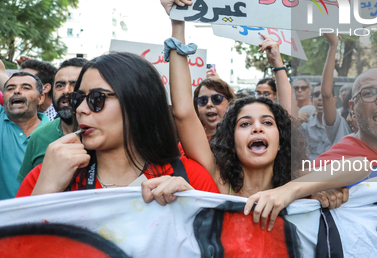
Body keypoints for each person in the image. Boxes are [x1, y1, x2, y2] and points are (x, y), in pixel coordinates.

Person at [153, 0, 365, 230]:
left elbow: (359, 165)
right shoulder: (218, 180)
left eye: (267, 122)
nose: (257, 128)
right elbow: (184, 112)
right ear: (230, 138)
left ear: (281, 138)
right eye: (245, 123)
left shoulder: (295, 179)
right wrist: (178, 24)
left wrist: (291, 192)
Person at [17, 52, 219, 197]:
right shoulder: (47, 175)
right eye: (79, 98)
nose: (80, 109)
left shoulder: (189, 178)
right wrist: (45, 191)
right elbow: (13, 253)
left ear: (138, 103)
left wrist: (193, 209)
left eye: (97, 98)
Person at [17, 58, 88, 182]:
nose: (66, 91)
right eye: (60, 85)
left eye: (74, 84)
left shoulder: (102, 136)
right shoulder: (39, 136)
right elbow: (27, 190)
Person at [0, 72, 48, 199]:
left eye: (26, 88)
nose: (17, 91)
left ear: (40, 98)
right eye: (10, 88)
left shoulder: (55, 132)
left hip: (38, 215)